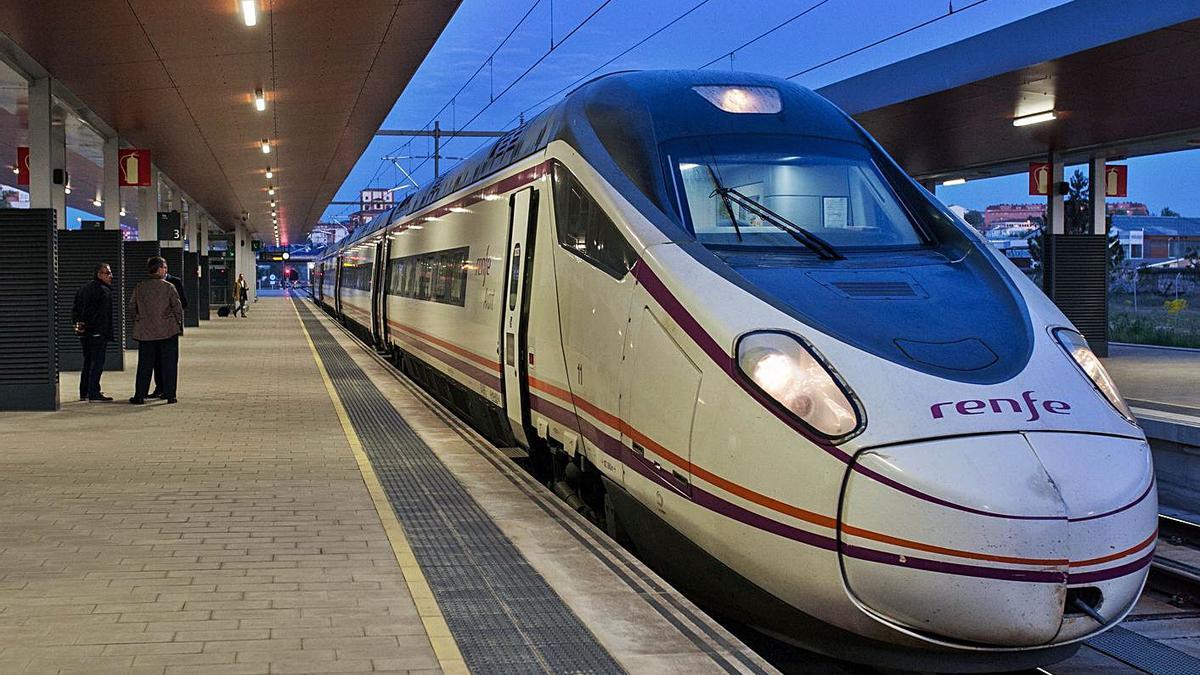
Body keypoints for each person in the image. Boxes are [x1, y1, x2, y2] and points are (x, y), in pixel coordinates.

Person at [128, 256, 183, 405]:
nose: (165, 270)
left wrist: (139, 320)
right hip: (168, 332)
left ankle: (140, 395)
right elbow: (177, 308)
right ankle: (170, 395)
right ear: (158, 269)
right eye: (164, 267)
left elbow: (132, 307)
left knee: (145, 365)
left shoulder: (140, 287)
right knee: (169, 364)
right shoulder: (168, 287)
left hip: (145, 333)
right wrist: (177, 324)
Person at [71, 262, 114, 401]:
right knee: (97, 363)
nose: (110, 276)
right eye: (107, 273)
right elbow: (102, 315)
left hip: (84, 334)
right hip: (97, 333)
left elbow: (75, 311)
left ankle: (84, 392)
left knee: (88, 361)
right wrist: (99, 330)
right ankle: (94, 392)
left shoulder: (82, 289)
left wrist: (81, 326)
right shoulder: (104, 291)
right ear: (99, 274)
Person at [148, 262, 187, 399]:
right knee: (156, 360)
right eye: (162, 267)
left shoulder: (174, 282)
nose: (165, 269)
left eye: (165, 267)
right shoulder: (147, 284)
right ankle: (159, 387)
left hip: (169, 329)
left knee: (169, 361)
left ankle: (168, 391)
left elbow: (183, 303)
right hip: (152, 329)